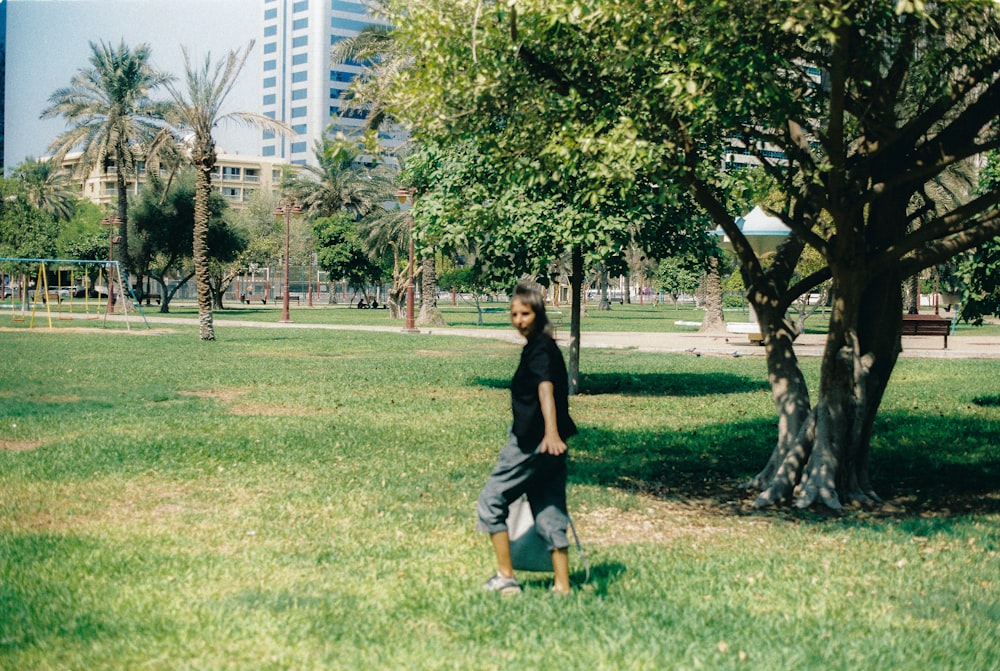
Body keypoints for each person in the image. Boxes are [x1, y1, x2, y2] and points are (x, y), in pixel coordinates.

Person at [476, 283, 577, 595]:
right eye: (514, 314)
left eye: (525, 313)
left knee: (491, 501)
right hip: (549, 444)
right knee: (548, 509)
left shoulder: (540, 350)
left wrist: (550, 432)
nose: (519, 319)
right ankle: (562, 586)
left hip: (532, 443)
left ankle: (506, 576)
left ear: (538, 313)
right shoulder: (542, 346)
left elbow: (545, 389)